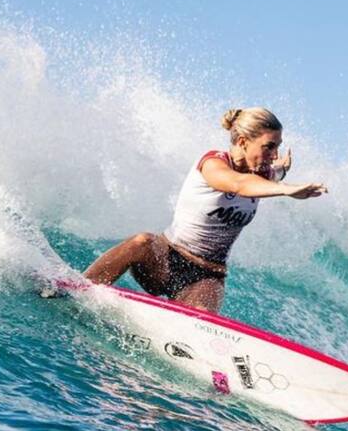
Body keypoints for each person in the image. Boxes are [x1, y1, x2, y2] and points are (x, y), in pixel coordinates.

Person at [80, 107, 327, 312]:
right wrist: (285, 188)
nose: (274, 155)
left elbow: (272, 173)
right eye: (269, 146)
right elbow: (238, 184)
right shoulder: (212, 163)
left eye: (278, 147)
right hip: (165, 259)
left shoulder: (264, 173)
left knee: (201, 317)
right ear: (242, 141)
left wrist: (284, 169)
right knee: (141, 241)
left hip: (206, 276)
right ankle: (78, 289)